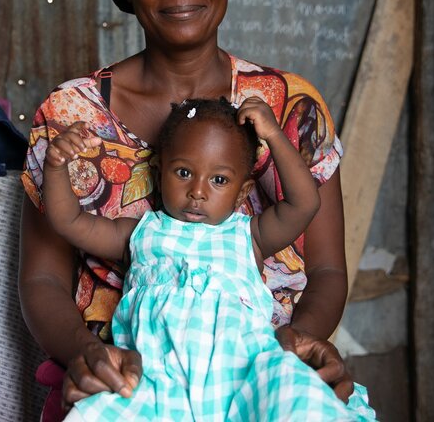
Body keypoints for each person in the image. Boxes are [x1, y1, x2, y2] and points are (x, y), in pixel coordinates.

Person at [19, 0, 358, 421]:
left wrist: (288, 352)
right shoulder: (70, 115)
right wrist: (89, 356)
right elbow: (42, 278)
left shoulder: (290, 108)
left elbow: (327, 271)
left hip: (262, 371)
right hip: (128, 380)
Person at [42, 97, 375, 420]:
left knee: (300, 403)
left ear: (242, 192)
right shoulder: (140, 233)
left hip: (246, 374)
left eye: (219, 180)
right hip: (154, 380)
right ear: (159, 174)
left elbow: (305, 204)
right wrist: (56, 166)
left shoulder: (249, 235)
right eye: (184, 173)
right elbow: (69, 222)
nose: (197, 192)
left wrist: (273, 135)